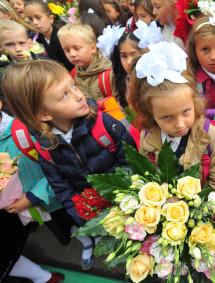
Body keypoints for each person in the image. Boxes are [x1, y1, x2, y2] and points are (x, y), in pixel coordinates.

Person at [2, 60, 136, 269]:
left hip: (129, 203)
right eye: (64, 95)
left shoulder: (105, 125)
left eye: (73, 85)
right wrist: (82, 215)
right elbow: (61, 187)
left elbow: (132, 163)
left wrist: (121, 198)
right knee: (120, 248)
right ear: (44, 114)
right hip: (100, 215)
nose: (79, 95)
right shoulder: (46, 147)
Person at [128, 41, 215, 190]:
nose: (180, 124)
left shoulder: (210, 136)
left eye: (186, 111)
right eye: (167, 117)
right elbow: (145, 178)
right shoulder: (147, 136)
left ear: (194, 101)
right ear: (150, 113)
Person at [0, 96, 64, 283]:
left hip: (54, 196)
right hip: (26, 206)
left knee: (72, 222)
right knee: (57, 228)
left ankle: (87, 241)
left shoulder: (24, 128)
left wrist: (33, 196)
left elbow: (58, 166)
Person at [58, 23, 114, 101]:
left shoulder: (109, 74)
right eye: (67, 50)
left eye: (77, 48)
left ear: (93, 48)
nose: (72, 54)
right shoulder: (73, 74)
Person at [24, 0, 73, 71]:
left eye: (38, 17)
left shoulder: (63, 37)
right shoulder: (37, 39)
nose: (34, 22)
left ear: (50, 19)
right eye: (30, 19)